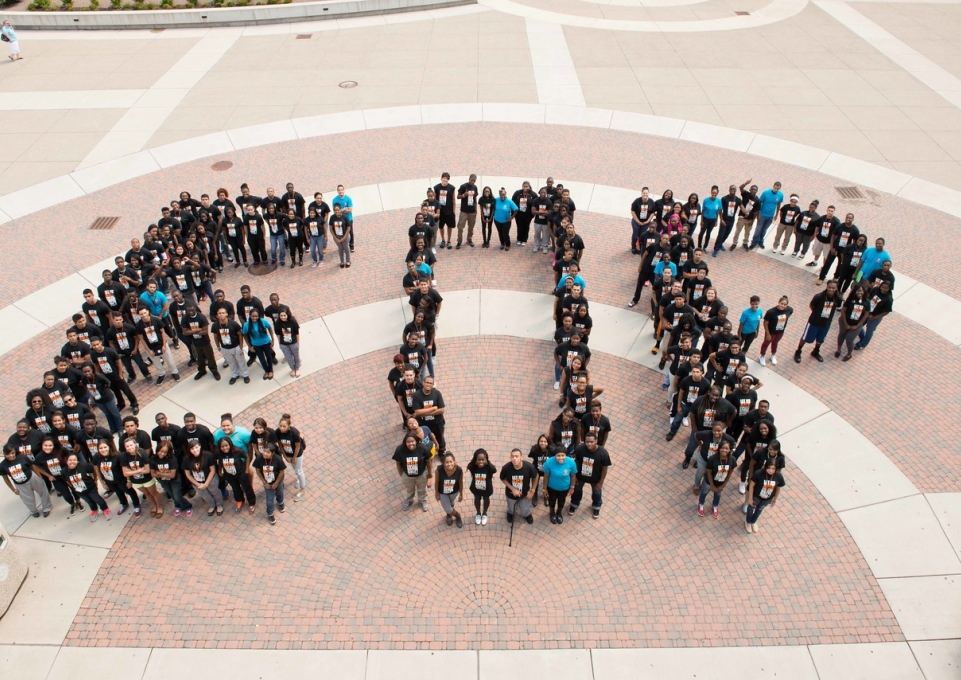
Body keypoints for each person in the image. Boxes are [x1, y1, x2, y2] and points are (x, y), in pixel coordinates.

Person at [794, 280, 841, 363]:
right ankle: (798, 351)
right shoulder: (819, 297)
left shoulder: (838, 298)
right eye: (829, 287)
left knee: (820, 339)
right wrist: (817, 313)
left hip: (826, 323)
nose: (831, 289)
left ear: (837, 288)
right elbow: (811, 306)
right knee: (805, 337)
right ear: (827, 287)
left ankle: (815, 351)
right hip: (814, 322)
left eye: (833, 288)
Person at [568, 432, 611, 520]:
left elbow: (604, 469)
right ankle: (574, 503)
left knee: (596, 493)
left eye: (591, 442)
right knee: (577, 490)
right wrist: (575, 476)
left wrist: (601, 482)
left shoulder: (603, 453)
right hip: (580, 477)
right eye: (587, 442)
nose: (589, 444)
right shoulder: (580, 449)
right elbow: (576, 462)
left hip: (595, 479)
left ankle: (596, 506)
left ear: (596, 441)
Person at [93, 438, 141, 516]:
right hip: (109, 481)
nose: (103, 450)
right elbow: (97, 469)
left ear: (109, 447)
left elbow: (125, 468)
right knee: (118, 492)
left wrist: (128, 480)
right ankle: (124, 503)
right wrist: (102, 483)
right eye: (100, 448)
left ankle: (136, 505)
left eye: (105, 447)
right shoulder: (96, 457)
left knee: (130, 491)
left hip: (121, 480)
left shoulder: (118, 455)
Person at [120, 436, 162, 518]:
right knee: (146, 494)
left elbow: (147, 470)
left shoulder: (141, 452)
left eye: (131, 445)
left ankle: (159, 506)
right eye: (127, 446)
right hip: (135, 481)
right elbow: (125, 473)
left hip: (147, 479)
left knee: (153, 493)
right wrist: (139, 471)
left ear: (135, 444)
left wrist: (131, 472)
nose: (129, 447)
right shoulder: (124, 456)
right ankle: (154, 506)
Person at [149, 441, 192, 517]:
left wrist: (159, 473)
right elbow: (152, 474)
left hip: (174, 481)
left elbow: (172, 475)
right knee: (172, 495)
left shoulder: (172, 459)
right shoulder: (153, 458)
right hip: (163, 481)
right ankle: (177, 506)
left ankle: (187, 506)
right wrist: (165, 474)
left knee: (177, 496)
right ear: (157, 449)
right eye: (161, 451)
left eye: (165, 452)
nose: (162, 454)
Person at [64, 453, 110, 522]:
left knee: (97, 499)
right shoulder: (63, 471)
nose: (72, 462)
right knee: (89, 501)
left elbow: (93, 470)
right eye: (70, 460)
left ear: (77, 461)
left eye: (74, 460)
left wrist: (95, 479)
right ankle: (94, 510)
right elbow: (66, 480)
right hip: (79, 491)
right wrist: (73, 487)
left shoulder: (84, 466)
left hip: (90, 488)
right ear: (66, 461)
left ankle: (105, 509)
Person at [216, 436, 256, 513]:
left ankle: (251, 502)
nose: (224, 448)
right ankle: (240, 501)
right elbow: (220, 462)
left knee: (247, 488)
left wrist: (247, 470)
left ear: (230, 444)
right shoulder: (219, 453)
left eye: (226, 445)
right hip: (229, 475)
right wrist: (220, 471)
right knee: (235, 488)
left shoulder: (237, 451)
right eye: (222, 446)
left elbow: (246, 457)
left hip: (241, 473)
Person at [392, 433, 431, 512]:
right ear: (405, 442)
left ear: (416, 441)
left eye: (412, 441)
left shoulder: (423, 448)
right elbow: (398, 463)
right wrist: (401, 474)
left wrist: (429, 473)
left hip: (421, 474)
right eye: (408, 442)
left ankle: (422, 500)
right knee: (410, 489)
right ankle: (409, 500)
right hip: (407, 475)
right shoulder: (400, 450)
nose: (411, 444)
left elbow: (428, 461)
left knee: (422, 489)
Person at [746, 460, 785, 533]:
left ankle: (753, 521)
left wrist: (774, 500)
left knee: (760, 509)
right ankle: (748, 522)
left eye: (773, 469)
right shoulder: (759, 473)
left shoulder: (778, 476)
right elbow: (752, 485)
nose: (770, 470)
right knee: (751, 508)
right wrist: (750, 498)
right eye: (769, 468)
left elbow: (778, 489)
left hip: (767, 498)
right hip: (756, 496)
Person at [698, 440, 733, 519]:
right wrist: (712, 486)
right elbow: (709, 472)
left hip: (720, 483)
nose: (724, 450)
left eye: (727, 448)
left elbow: (730, 473)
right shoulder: (712, 459)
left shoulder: (732, 460)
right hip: (709, 482)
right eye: (722, 448)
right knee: (704, 492)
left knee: (717, 495)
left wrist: (723, 485)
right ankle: (701, 504)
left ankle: (715, 506)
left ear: (730, 450)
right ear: (719, 448)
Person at [541, 446, 577, 525]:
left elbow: (573, 475)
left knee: (561, 501)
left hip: (564, 488)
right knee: (552, 501)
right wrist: (544, 489)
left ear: (566, 455)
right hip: (551, 487)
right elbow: (546, 476)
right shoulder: (549, 462)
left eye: (562, 455)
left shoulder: (571, 462)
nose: (560, 458)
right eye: (558, 455)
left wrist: (572, 487)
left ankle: (559, 513)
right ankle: (552, 513)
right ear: (555, 455)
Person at [500, 448, 536, 525]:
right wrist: (513, 489)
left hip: (524, 494)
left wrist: (532, 491)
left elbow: (535, 477)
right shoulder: (506, 468)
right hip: (510, 494)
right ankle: (510, 513)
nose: (514, 459)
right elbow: (502, 478)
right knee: (511, 507)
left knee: (524, 508)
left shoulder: (529, 467)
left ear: (521, 457)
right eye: (512, 456)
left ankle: (527, 515)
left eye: (516, 456)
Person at [253, 443, 286, 525]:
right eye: (264, 451)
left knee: (280, 491)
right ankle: (270, 513)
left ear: (272, 453)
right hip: (267, 481)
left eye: (268, 452)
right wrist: (264, 482)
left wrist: (276, 483)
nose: (265, 453)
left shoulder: (278, 459)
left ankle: (280, 502)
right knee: (269, 498)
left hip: (277, 479)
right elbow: (257, 470)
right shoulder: (259, 459)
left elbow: (282, 472)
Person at [855, 281, 894, 351]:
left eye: (886, 288)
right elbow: (868, 297)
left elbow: (886, 311)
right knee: (859, 325)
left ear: (889, 289)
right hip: (867, 312)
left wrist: (874, 317)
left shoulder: (889, 299)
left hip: (875, 317)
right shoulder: (876, 289)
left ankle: (863, 344)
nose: (883, 289)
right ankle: (863, 337)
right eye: (882, 287)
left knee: (869, 330)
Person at [412, 376, 446, 452]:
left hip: (437, 422)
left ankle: (441, 451)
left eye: (431, 383)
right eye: (427, 382)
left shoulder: (437, 393)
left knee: (440, 437)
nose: (429, 384)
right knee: (425, 440)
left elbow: (442, 410)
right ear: (423, 383)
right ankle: (427, 452)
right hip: (424, 424)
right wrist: (433, 408)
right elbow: (417, 412)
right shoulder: (417, 395)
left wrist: (424, 413)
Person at [835, 283, 868, 361]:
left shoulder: (866, 302)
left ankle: (849, 354)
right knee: (841, 335)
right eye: (858, 291)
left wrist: (857, 326)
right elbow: (843, 312)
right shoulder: (850, 300)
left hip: (856, 325)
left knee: (849, 339)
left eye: (861, 291)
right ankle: (838, 350)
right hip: (844, 322)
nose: (859, 293)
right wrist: (846, 324)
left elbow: (865, 315)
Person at [758, 296, 793, 366]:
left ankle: (773, 355)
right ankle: (762, 356)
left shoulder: (789, 309)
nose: (783, 305)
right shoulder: (771, 312)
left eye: (785, 304)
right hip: (771, 332)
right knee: (766, 344)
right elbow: (765, 322)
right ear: (778, 303)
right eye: (781, 303)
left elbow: (789, 314)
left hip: (780, 331)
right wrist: (768, 334)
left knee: (775, 343)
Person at [466, 448, 497, 526]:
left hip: (487, 488)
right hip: (476, 488)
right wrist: (474, 463)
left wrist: (488, 463)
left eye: (483, 460)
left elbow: (495, 469)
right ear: (476, 460)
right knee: (477, 499)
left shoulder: (489, 467)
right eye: (479, 460)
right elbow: (469, 466)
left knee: (486, 499)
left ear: (486, 459)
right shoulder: (473, 466)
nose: (481, 462)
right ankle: (478, 513)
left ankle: (484, 514)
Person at [749, 181, 783, 250]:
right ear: (773, 186)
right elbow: (759, 203)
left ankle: (760, 241)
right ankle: (754, 242)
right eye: (775, 188)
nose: (776, 190)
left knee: (764, 230)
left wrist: (776, 215)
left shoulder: (780, 195)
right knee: (758, 230)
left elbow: (778, 205)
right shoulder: (766, 193)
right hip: (762, 215)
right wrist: (758, 214)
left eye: (778, 189)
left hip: (770, 216)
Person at [242, 309, 275, 379]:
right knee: (262, 359)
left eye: (256, 316)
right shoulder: (246, 325)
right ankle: (266, 371)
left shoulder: (263, 321)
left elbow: (270, 328)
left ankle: (271, 370)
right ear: (250, 316)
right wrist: (249, 346)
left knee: (268, 356)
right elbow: (244, 335)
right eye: (253, 316)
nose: (254, 318)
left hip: (266, 342)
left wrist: (272, 339)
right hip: (256, 345)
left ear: (259, 316)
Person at [434, 452, 464, 528]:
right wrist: (436, 493)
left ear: (454, 461)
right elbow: (436, 482)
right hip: (442, 492)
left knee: (450, 504)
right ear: (444, 463)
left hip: (454, 492)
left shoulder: (459, 470)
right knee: (447, 508)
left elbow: (460, 482)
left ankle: (449, 515)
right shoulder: (439, 470)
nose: (449, 464)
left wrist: (461, 494)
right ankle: (458, 516)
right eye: (447, 462)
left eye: (451, 462)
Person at [274, 309, 301, 378]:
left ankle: (297, 368)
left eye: (284, 315)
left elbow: (297, 333)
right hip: (284, 344)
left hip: (293, 343)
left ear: (287, 315)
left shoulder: (293, 321)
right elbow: (278, 334)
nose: (283, 317)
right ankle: (292, 368)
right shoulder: (277, 323)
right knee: (288, 358)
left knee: (296, 356)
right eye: (281, 316)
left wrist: (298, 343)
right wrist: (280, 343)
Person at [456, 174, 478, 249]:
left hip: (472, 211)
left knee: (471, 227)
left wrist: (476, 209)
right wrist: (463, 195)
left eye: (474, 181)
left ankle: (469, 239)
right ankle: (459, 241)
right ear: (469, 179)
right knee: (460, 227)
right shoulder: (463, 186)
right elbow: (458, 196)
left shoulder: (475, 187)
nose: (473, 182)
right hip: (464, 211)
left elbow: (475, 198)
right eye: (472, 180)